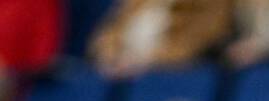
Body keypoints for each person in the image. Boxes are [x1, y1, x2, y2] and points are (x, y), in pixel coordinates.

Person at [88, 0, 234, 78]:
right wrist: (111, 57)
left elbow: (199, 39)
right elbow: (109, 33)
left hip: (169, 73)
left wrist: (142, 62)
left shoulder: (209, 3)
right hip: (122, 68)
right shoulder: (136, 2)